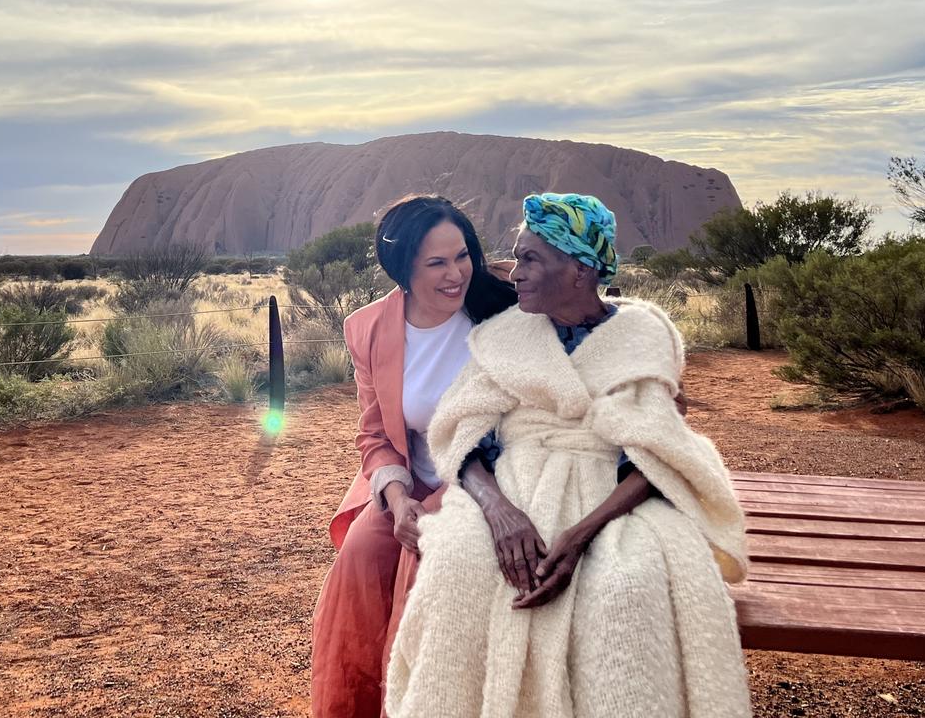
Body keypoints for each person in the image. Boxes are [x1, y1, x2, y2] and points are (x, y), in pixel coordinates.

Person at [385, 193, 751, 718]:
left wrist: (581, 535)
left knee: (628, 583)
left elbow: (654, 451)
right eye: (517, 256)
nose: (515, 274)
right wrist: (498, 511)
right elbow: (463, 433)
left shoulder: (641, 336)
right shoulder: (503, 335)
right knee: (458, 564)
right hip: (510, 480)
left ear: (579, 270)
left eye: (531, 258)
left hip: (613, 492)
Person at [310, 195, 523, 718]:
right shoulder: (368, 328)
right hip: (407, 484)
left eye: (462, 256)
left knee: (416, 566)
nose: (456, 274)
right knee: (359, 560)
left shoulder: (505, 307)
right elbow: (375, 432)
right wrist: (397, 495)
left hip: (488, 481)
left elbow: (588, 302)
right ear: (402, 268)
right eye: (437, 263)